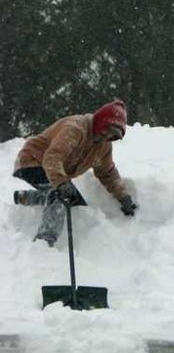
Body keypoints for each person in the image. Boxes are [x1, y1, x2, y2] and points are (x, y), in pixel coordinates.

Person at [12, 99, 137, 245]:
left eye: (112, 134)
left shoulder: (103, 146)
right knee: (60, 196)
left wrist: (123, 196)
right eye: (106, 129)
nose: (107, 135)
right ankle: (45, 240)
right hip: (33, 161)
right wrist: (61, 182)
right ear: (100, 121)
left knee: (76, 204)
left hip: (53, 169)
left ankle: (26, 197)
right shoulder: (75, 128)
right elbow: (53, 157)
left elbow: (107, 173)